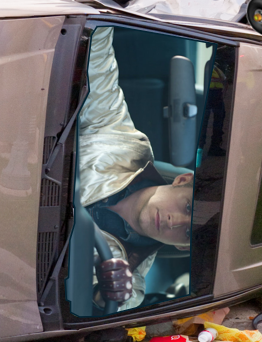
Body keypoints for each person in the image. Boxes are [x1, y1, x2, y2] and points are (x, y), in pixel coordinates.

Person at [78, 27, 194, 311]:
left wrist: (104, 294)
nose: (174, 222)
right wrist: (104, 10)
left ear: (182, 247)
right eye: (188, 207)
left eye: (188, 234)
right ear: (182, 180)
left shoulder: (129, 282)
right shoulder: (121, 141)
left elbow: (111, 305)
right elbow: (99, 67)